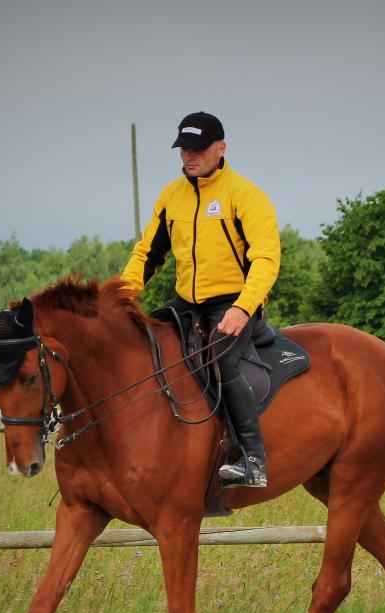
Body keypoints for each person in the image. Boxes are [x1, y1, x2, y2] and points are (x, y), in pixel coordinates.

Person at [119, 111, 281, 488]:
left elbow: (267, 256)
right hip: (187, 302)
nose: (189, 156)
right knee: (142, 342)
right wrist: (120, 298)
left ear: (220, 148)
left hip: (234, 302)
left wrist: (244, 307)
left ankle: (254, 459)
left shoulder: (244, 195)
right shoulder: (170, 197)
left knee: (223, 358)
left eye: (198, 149)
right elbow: (148, 254)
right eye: (184, 149)